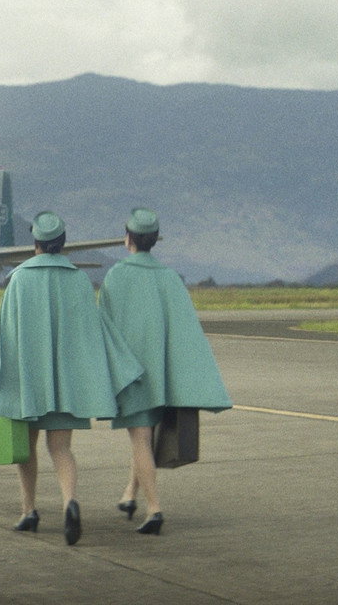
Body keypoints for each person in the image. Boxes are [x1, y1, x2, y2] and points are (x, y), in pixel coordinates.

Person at [0, 211, 143, 546]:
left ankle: (29, 511)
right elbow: (89, 333)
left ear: (35, 244)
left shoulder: (19, 279)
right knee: (61, 448)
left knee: (26, 449)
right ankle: (69, 502)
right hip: (65, 386)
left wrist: (4, 382)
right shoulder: (78, 280)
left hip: (29, 383)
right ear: (62, 244)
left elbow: (7, 335)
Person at [99, 208, 234, 536]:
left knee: (140, 439)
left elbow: (105, 328)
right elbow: (185, 331)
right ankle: (129, 495)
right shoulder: (170, 278)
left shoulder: (116, 276)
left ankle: (154, 508)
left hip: (133, 376)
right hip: (162, 375)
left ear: (127, 238)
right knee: (143, 439)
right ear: (155, 240)